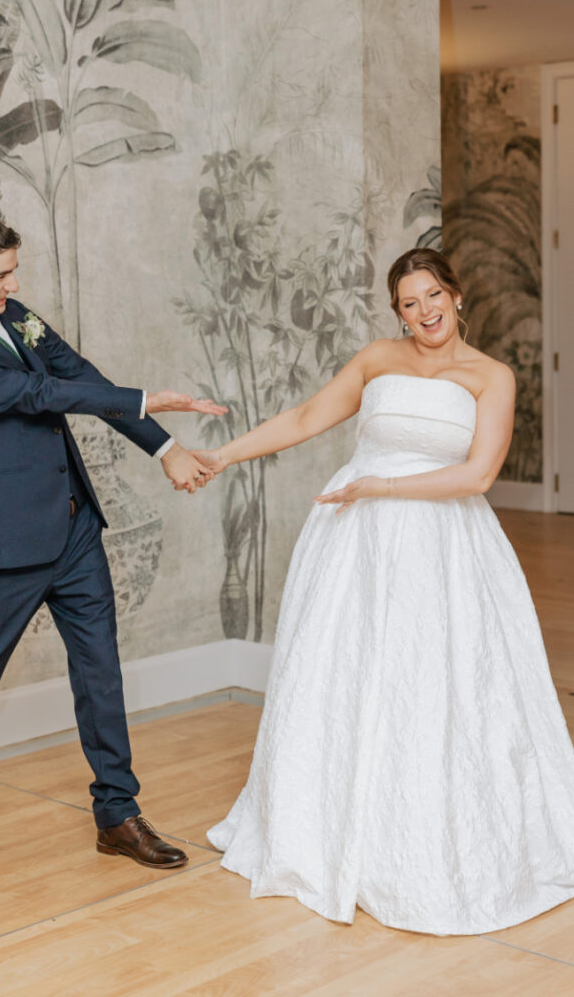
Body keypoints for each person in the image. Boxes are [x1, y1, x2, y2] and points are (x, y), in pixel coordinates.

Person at [198, 248, 574, 935]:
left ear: (455, 296)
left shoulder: (490, 376)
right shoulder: (377, 359)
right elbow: (305, 417)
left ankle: (422, 841)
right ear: (397, 312)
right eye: (408, 302)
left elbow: (478, 476)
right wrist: (221, 456)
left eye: (432, 295)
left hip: (440, 545)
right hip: (354, 542)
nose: (423, 311)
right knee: (338, 676)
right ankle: (326, 829)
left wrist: (385, 485)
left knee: (428, 683)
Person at [0, 211, 227, 876]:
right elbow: (38, 392)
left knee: (100, 670)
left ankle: (117, 815)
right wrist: (144, 399)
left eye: (14, 271)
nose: (13, 286)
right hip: (11, 543)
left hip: (76, 527)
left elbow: (78, 371)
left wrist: (164, 448)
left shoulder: (12, 314)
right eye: (0, 275)